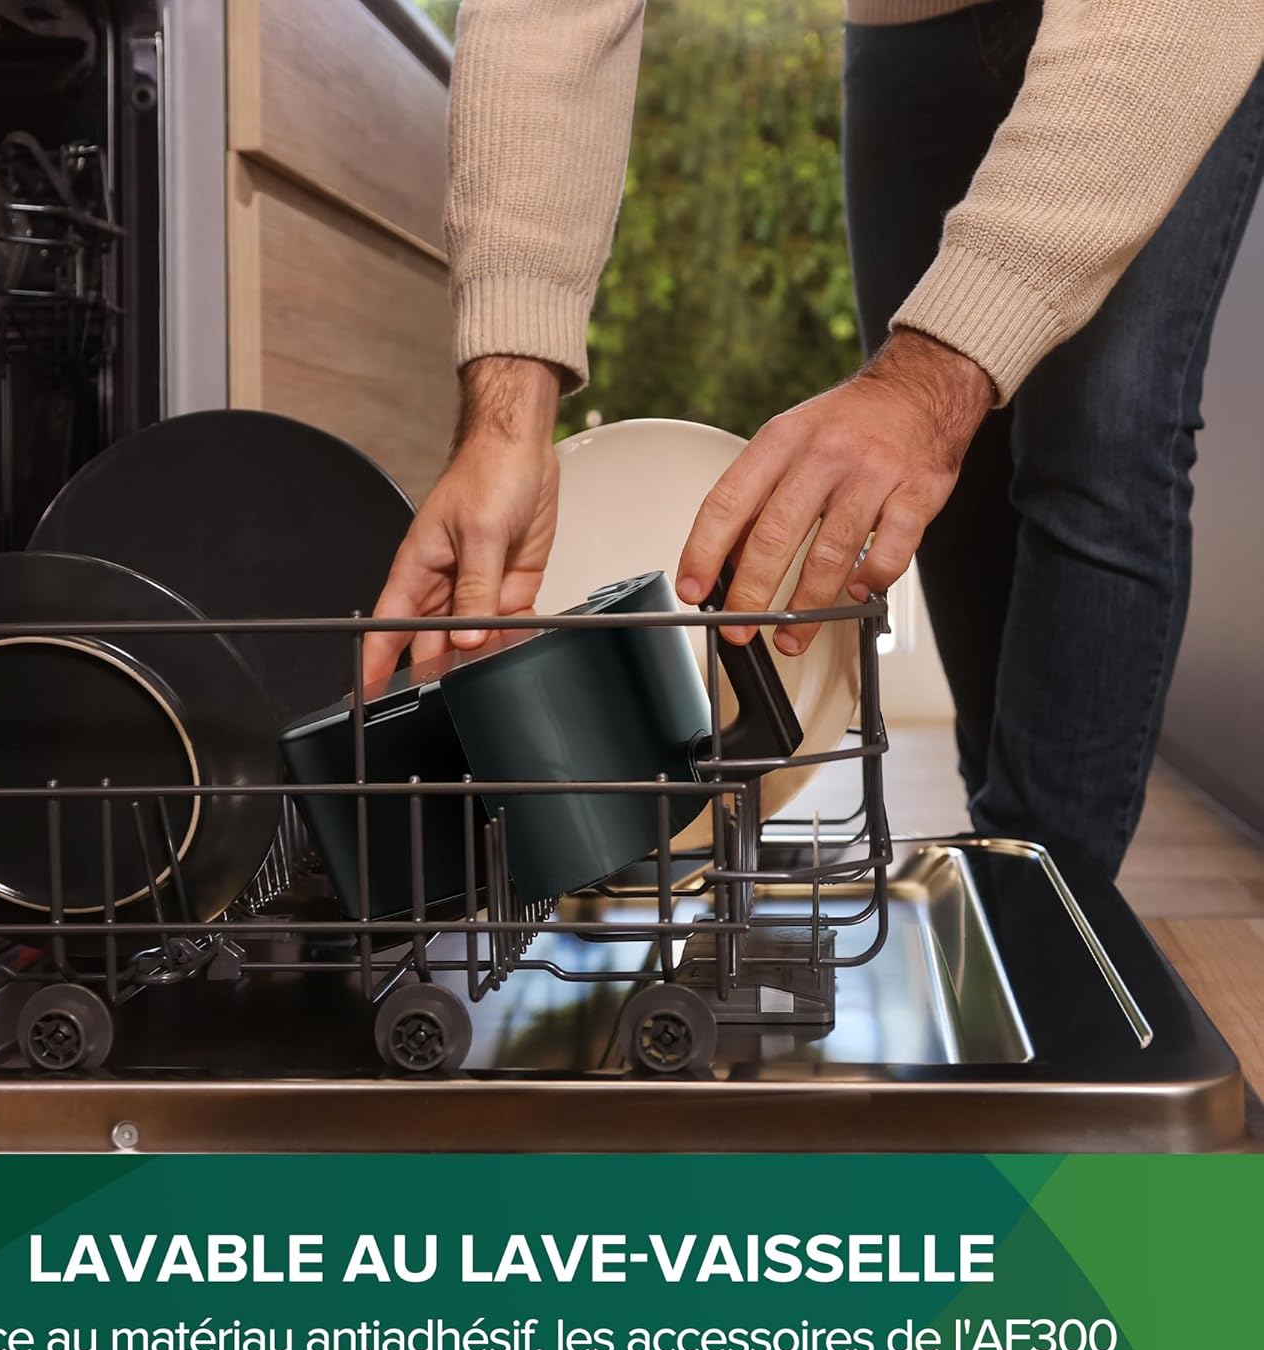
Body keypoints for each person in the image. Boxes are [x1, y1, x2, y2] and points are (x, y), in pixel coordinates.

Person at [368, 0, 1264, 878]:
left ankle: (1047, 907)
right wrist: (505, 418)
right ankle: (1003, 866)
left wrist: (929, 377)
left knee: (1098, 438)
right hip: (906, 26)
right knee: (950, 472)